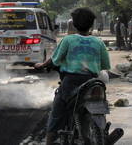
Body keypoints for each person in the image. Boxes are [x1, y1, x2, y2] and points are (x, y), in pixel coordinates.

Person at [35, 8, 110, 145]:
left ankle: (49, 141)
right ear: (91, 25)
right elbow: (105, 65)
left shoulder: (68, 40)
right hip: (93, 82)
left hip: (71, 82)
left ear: (74, 24)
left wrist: (41, 65)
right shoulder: (98, 42)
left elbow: (54, 60)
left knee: (56, 114)